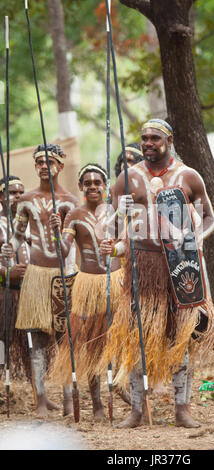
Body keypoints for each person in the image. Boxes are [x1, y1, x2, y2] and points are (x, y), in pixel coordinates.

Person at [100, 118, 214, 428]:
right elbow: (112, 231)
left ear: (168, 140)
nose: (148, 143)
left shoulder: (188, 176)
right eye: (144, 138)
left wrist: (194, 239)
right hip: (143, 264)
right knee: (139, 336)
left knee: (180, 337)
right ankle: (137, 412)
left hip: (180, 265)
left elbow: (209, 217)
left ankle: (182, 410)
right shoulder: (127, 179)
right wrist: (119, 212)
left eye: (155, 137)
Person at [1, 143, 78, 418]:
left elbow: (71, 244)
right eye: (39, 162)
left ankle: (69, 398)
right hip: (35, 275)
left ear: (60, 164)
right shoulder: (26, 200)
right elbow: (19, 235)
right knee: (37, 339)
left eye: (49, 162)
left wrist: (61, 230)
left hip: (62, 275)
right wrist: (8, 249)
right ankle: (42, 399)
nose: (44, 167)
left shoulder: (70, 201)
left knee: (64, 337)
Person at [48, 163, 124, 421]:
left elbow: (129, 243)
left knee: (120, 339)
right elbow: (64, 251)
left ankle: (124, 392)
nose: (93, 186)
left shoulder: (117, 213)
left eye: (97, 182)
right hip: (88, 284)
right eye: (87, 183)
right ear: (80, 187)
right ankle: (97, 404)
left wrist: (115, 245)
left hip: (115, 281)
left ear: (105, 185)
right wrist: (56, 233)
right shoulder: (74, 215)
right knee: (92, 344)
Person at [0, 175, 30, 381]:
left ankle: (41, 395)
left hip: (28, 292)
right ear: (1, 197)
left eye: (21, 193)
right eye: (12, 193)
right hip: (5, 292)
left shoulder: (29, 223)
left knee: (32, 345)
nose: (18, 197)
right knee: (2, 342)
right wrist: (7, 273)